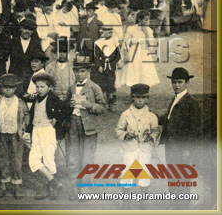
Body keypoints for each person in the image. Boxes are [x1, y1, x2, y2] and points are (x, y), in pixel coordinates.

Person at [0, 74, 30, 199]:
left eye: (10, 87)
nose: (7, 90)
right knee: (2, 159)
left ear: (15, 88)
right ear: (1, 88)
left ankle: (16, 186)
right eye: (5, 87)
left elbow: (26, 115)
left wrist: (24, 125)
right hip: (2, 135)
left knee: (16, 159)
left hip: (16, 135)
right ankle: (3, 186)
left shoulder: (20, 102)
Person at [65, 57, 106, 198]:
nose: (79, 74)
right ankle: (74, 187)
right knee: (73, 156)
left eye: (83, 71)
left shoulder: (94, 87)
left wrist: (90, 105)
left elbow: (102, 107)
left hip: (88, 126)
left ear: (88, 71)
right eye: (77, 71)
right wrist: (69, 106)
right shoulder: (71, 88)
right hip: (73, 124)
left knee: (87, 157)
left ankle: (85, 188)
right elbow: (65, 106)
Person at [159, 68, 202, 198]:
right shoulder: (175, 99)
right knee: (172, 176)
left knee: (182, 178)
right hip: (171, 146)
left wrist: (187, 149)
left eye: (180, 82)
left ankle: (183, 206)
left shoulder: (192, 103)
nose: (176, 85)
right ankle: (175, 203)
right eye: (174, 82)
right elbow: (169, 119)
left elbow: (195, 129)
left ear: (187, 83)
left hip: (182, 148)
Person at [26, 72, 67, 200]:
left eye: (42, 87)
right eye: (37, 87)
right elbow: (32, 115)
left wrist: (56, 119)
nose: (39, 89)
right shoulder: (36, 99)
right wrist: (28, 131)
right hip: (36, 131)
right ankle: (54, 182)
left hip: (47, 131)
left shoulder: (53, 98)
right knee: (34, 160)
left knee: (49, 159)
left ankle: (50, 189)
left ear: (50, 88)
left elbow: (66, 110)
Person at [115, 84, 160, 192]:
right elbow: (118, 130)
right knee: (127, 174)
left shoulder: (151, 116)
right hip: (130, 148)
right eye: (137, 97)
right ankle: (126, 204)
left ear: (147, 98)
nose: (140, 100)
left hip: (145, 149)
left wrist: (152, 137)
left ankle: (143, 203)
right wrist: (126, 135)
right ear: (132, 97)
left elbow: (156, 130)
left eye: (143, 97)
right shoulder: (126, 114)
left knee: (144, 174)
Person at [122, 10, 160, 87]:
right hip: (134, 52)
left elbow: (150, 45)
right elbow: (125, 43)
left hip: (144, 52)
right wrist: (125, 55)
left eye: (148, 19)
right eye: (145, 20)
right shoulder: (131, 29)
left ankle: (144, 90)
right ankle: (134, 90)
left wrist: (146, 33)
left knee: (145, 72)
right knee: (134, 72)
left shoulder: (149, 30)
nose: (147, 21)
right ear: (140, 20)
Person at [8, 18, 43, 93]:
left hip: (29, 78)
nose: (27, 31)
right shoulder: (12, 42)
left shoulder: (36, 43)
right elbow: (5, 60)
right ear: (20, 28)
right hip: (15, 77)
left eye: (30, 29)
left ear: (33, 31)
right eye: (25, 28)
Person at [93, 26, 122, 111]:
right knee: (101, 84)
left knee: (111, 85)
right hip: (102, 67)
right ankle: (102, 102)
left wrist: (113, 62)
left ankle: (111, 103)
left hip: (111, 67)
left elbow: (118, 56)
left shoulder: (115, 42)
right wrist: (99, 65)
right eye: (104, 32)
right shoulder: (98, 43)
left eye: (108, 33)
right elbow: (96, 56)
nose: (105, 34)